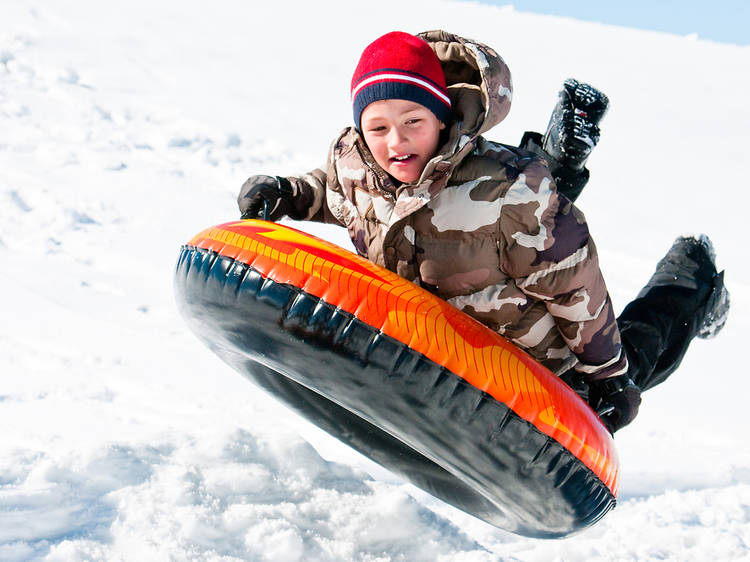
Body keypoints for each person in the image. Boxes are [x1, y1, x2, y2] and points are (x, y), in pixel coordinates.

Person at [237, 30, 729, 433]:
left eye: (414, 121)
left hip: (537, 363)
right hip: (445, 335)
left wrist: (609, 376)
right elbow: (334, 192)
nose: (397, 140)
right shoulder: (356, 168)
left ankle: (693, 274)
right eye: (378, 127)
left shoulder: (507, 196)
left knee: (637, 350)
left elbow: (573, 282)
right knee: (518, 219)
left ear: (443, 118)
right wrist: (288, 193)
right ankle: (556, 163)